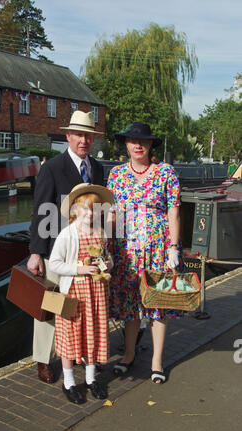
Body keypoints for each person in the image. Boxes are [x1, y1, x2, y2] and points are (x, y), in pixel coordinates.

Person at [27, 111, 104, 384]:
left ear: (92, 138)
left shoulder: (97, 168)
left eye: (88, 135)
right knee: (52, 306)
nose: (83, 140)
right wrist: (36, 253)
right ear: (68, 136)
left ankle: (77, 354)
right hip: (56, 250)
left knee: (80, 308)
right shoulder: (52, 168)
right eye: (78, 135)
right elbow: (41, 212)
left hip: (87, 252)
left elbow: (101, 211)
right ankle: (44, 360)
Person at [107, 122, 183, 384]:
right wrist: (106, 247)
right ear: (126, 144)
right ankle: (128, 355)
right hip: (126, 250)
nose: (137, 145)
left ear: (150, 145)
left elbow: (173, 210)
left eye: (143, 141)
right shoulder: (115, 175)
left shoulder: (166, 173)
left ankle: (156, 361)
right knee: (130, 304)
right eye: (132, 140)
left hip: (158, 248)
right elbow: (112, 214)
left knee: (157, 302)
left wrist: (173, 247)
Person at [48, 183, 114, 404]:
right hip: (74, 293)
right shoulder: (67, 234)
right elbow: (55, 264)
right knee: (70, 335)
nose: (90, 213)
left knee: (93, 332)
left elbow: (105, 258)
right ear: (75, 210)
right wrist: (79, 269)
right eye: (85, 208)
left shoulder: (101, 233)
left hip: (96, 292)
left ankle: (90, 378)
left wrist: (108, 263)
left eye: (95, 209)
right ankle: (68, 382)